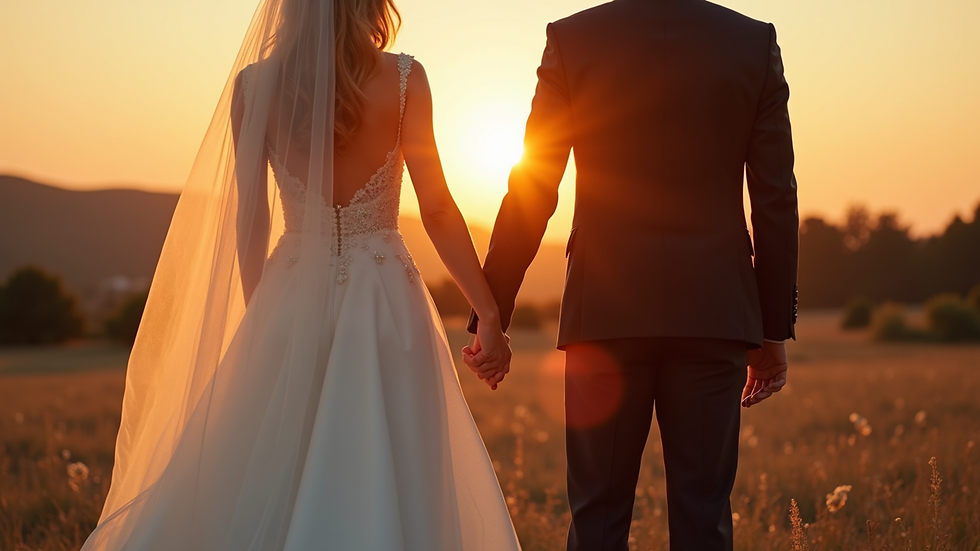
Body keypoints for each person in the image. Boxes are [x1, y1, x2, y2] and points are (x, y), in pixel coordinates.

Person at [80, 0, 521, 549]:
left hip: (291, 291)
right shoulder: (405, 78)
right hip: (386, 301)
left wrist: (262, 309)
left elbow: (251, 216)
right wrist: (489, 312)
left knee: (272, 463)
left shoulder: (254, 87)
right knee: (390, 457)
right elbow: (436, 209)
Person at [465, 0, 799, 549]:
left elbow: (534, 184)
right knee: (704, 517)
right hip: (714, 313)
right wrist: (770, 329)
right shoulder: (752, 43)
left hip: (604, 313)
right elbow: (775, 197)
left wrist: (491, 310)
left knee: (596, 517)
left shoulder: (573, 40)